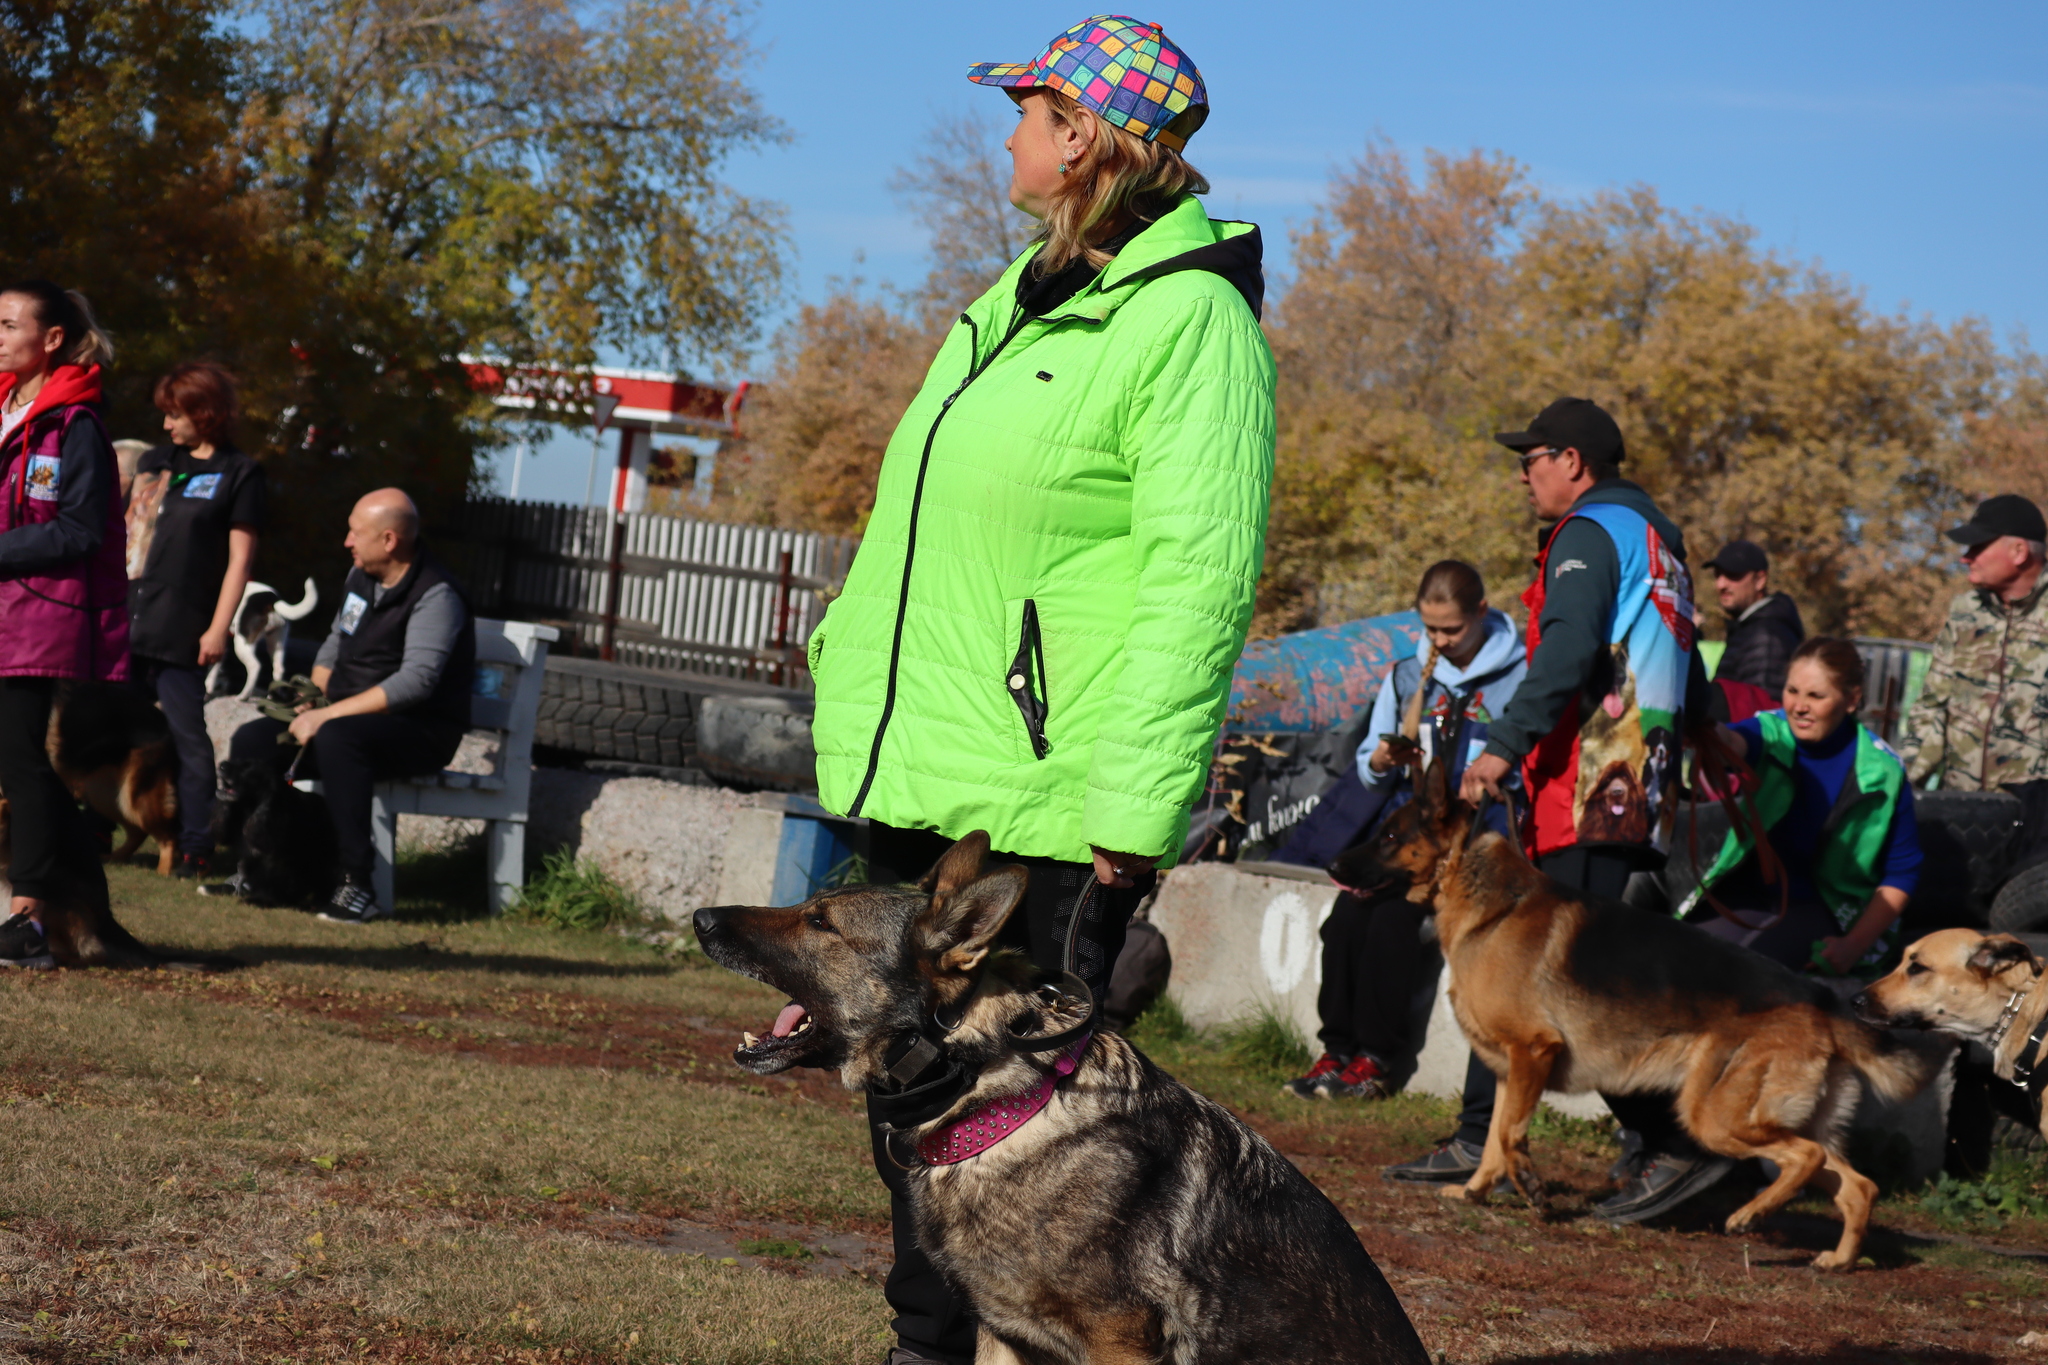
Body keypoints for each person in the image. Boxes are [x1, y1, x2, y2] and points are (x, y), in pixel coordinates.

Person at [803, 18, 1272, 1365]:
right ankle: (930, 1348)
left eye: (1026, 107)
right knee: (917, 1109)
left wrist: (1136, 806)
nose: (1006, 130)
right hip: (928, 776)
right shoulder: (1015, 294)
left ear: (1083, 138)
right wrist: (845, 654)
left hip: (1050, 808)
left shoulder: (1194, 324)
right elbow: (930, 526)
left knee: (1035, 1156)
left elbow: (1200, 579)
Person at [1382, 396, 1721, 1226]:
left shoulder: (1589, 532)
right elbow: (1680, 650)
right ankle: (1497, 1136)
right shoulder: (1658, 539)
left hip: (1591, 783)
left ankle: (1676, 1145)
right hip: (1640, 783)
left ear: (1573, 461)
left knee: (1561, 983)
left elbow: (1569, 651)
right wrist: (1711, 734)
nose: (1523, 474)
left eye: (1531, 459)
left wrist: (1504, 741)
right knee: (1535, 969)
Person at [1285, 561, 1526, 1101]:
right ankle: (1336, 1051)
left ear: (1482, 614)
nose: (1439, 641)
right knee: (1346, 920)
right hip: (1406, 842)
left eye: (1451, 630)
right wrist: (1383, 760)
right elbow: (1370, 762)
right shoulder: (1405, 675)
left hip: (1474, 846)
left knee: (1394, 926)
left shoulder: (1521, 677)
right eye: (1430, 629)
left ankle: (1374, 1059)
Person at [224, 489, 474, 924]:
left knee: (340, 739)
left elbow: (416, 683)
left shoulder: (438, 595)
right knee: (253, 739)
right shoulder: (360, 578)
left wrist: (327, 715)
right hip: (347, 720)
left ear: (390, 540)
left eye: (356, 533)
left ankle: (357, 884)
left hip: (418, 730)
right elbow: (334, 645)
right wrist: (309, 701)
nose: (347, 542)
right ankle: (261, 870)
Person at [0, 282, 127, 968]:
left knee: (23, 764)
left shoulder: (76, 426)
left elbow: (79, 530)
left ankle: (30, 923)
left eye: (6, 323)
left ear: (51, 339)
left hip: (36, 619)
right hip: (2, 610)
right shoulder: (5, 409)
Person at [1682, 637, 1920, 976]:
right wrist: (1696, 722)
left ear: (1851, 699)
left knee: (1738, 975)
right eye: (1792, 691)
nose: (1798, 706)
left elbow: (1902, 873)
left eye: (1816, 696)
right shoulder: (1772, 731)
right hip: (1747, 893)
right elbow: (1732, 741)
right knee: (1681, 961)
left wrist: (1853, 946)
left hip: (1825, 908)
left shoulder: (1884, 772)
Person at [126, 363, 264, 877]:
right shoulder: (154, 462)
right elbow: (126, 534)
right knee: (101, 722)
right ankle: (89, 827)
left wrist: (218, 626)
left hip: (182, 625)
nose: (166, 425)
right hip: (124, 615)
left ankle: (196, 843)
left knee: (188, 736)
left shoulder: (240, 473)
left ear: (205, 413)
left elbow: (240, 562)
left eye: (175, 414)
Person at [1898, 494, 2048, 791]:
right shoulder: (1966, 613)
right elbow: (1933, 709)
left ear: (2019, 552)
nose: (1965, 557)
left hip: (2039, 823)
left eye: (1977, 547)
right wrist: (1901, 790)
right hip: (1964, 813)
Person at [1703, 538, 1804, 695]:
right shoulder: (1748, 628)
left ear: (1760, 580)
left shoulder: (1767, 636)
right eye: (1717, 575)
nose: (1721, 584)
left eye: (1732, 574)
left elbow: (1764, 710)